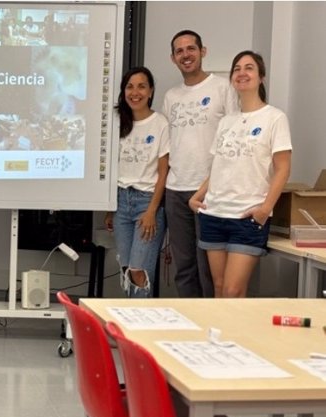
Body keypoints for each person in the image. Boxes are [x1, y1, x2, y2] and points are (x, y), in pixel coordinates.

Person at [189, 51, 291, 298]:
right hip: (214, 214)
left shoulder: (274, 118)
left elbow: (283, 168)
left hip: (247, 217)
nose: (242, 73)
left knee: (234, 291)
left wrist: (266, 209)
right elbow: (219, 167)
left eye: (249, 68)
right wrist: (197, 196)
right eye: (237, 69)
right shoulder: (226, 122)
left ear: (261, 77)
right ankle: (221, 338)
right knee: (220, 289)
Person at [163, 30, 238, 298]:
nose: (186, 55)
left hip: (208, 191)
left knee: (208, 267)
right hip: (175, 189)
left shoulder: (222, 88)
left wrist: (213, 185)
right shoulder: (171, 96)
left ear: (202, 51)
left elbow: (232, 138)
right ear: (173, 58)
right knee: (183, 267)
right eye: (180, 51)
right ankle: (188, 325)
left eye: (191, 48)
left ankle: (209, 326)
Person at [105, 67, 169, 298]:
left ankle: (139, 329)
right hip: (121, 201)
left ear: (151, 91)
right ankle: (130, 325)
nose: (135, 92)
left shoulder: (160, 123)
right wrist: (111, 208)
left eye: (142, 86)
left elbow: (163, 172)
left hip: (147, 202)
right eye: (130, 87)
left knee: (139, 270)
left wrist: (152, 210)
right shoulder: (117, 123)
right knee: (126, 269)